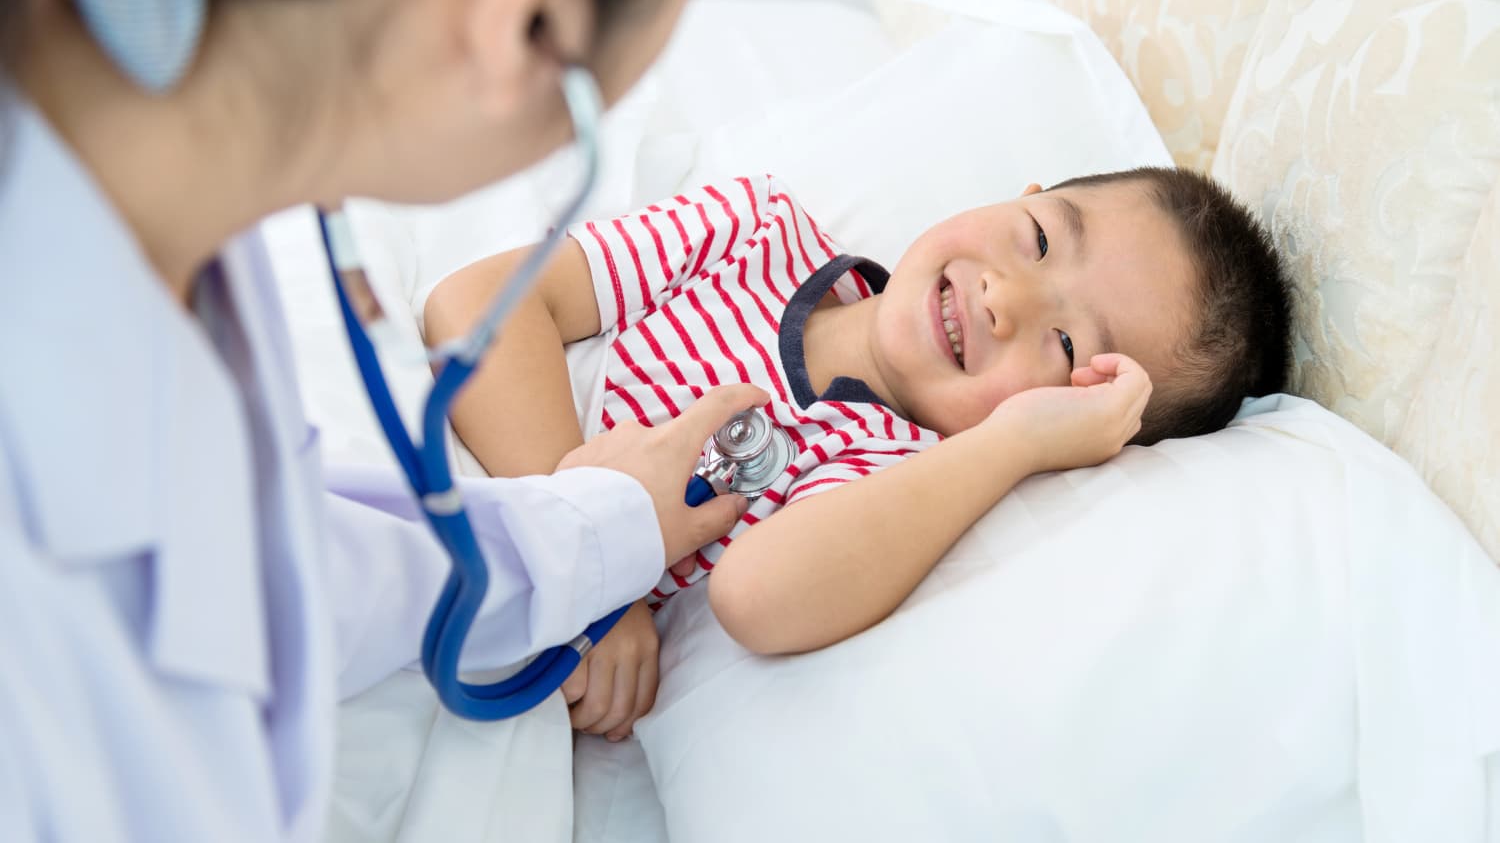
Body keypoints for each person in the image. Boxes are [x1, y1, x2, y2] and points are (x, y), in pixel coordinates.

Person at [0, 0, 772, 839]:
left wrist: (593, 529)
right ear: (517, 37)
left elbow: (263, 559)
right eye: (582, 127)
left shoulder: (163, 234)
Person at [423, 168, 1293, 741]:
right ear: (1018, 192)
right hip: (439, 496)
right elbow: (478, 304)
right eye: (1036, 239)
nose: (1005, 297)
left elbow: (759, 596)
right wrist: (599, 568)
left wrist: (1014, 445)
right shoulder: (752, 231)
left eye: (1066, 344)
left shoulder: (891, 471)